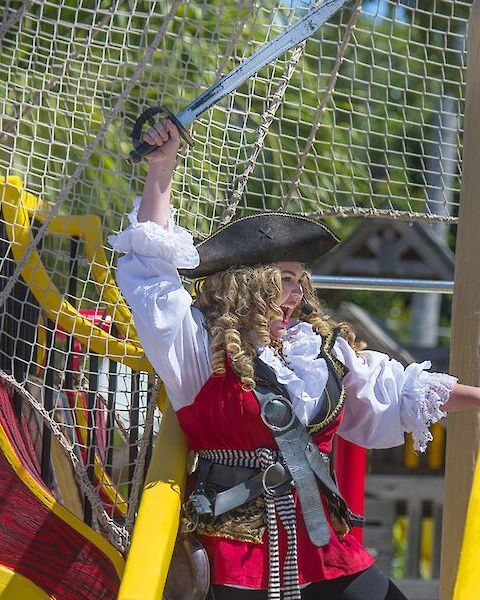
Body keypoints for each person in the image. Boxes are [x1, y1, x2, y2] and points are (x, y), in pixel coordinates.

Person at [109, 120, 480, 600]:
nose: (297, 293)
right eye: (284, 277)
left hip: (325, 550)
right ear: (247, 283)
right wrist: (161, 169)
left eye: (300, 279)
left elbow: (395, 390)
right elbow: (152, 281)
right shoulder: (198, 351)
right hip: (234, 556)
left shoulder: (320, 353)